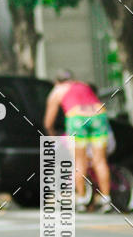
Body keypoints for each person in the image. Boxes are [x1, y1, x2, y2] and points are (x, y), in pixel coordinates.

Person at [44, 70, 112, 212]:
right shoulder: (83, 85)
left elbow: (48, 122)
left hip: (77, 118)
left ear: (57, 81)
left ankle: (81, 199)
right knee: (100, 161)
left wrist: (52, 135)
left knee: (79, 161)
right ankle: (106, 199)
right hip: (98, 115)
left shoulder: (57, 90)